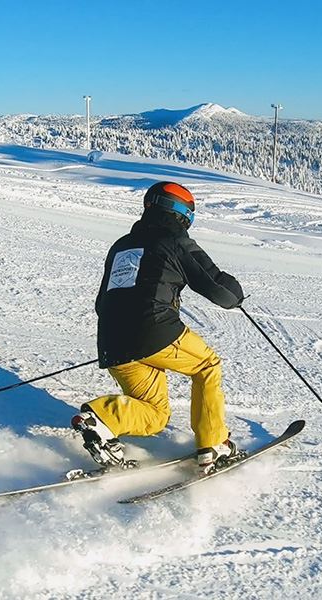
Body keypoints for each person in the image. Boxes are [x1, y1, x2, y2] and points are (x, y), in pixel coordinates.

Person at [71, 181, 245, 474]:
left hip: (112, 340)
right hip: (155, 330)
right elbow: (218, 289)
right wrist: (237, 296)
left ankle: (101, 418)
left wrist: (126, 338)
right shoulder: (175, 240)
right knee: (207, 366)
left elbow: (103, 302)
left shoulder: (122, 246)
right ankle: (213, 444)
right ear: (184, 214)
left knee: (154, 415)